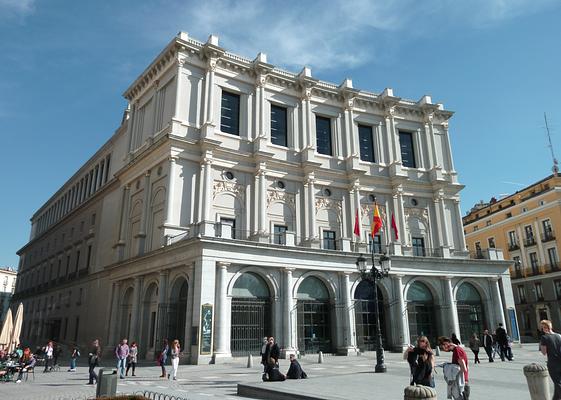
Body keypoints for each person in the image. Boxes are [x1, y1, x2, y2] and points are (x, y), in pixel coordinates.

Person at [539, 319, 561, 400]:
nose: (542, 329)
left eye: (542, 327)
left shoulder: (544, 337)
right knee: (558, 383)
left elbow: (544, 352)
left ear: (545, 328)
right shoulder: (559, 335)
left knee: (558, 382)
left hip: (553, 363)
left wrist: (541, 345)